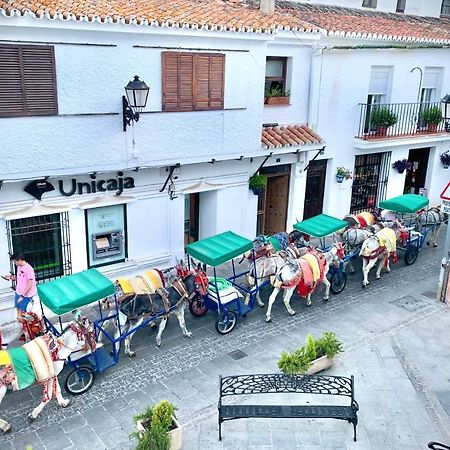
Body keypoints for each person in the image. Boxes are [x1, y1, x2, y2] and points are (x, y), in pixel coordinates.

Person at [3, 254, 37, 321]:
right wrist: (10, 277)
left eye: (15, 262)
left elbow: (30, 284)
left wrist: (22, 296)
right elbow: (19, 278)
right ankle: (23, 327)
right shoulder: (19, 267)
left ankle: (29, 329)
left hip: (26, 295)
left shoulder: (29, 269)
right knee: (18, 311)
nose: (15, 263)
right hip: (18, 292)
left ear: (20, 260)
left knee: (25, 314)